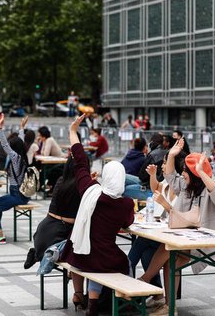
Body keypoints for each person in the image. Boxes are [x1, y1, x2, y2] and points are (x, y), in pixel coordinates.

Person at [138, 139, 215, 315]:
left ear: (196, 174)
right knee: (169, 256)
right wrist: (171, 155)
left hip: (209, 242)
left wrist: (202, 172)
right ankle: (168, 306)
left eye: (187, 172)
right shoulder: (188, 186)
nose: (183, 174)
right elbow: (171, 177)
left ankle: (145, 281)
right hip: (189, 238)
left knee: (169, 252)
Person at [60, 114, 134, 316]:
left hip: (79, 255)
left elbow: (81, 162)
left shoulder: (90, 190)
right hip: (105, 256)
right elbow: (128, 224)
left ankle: (93, 304)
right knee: (125, 262)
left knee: (97, 262)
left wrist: (73, 132)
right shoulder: (126, 203)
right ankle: (126, 301)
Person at [24, 156, 91, 310]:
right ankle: (80, 294)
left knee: (76, 246)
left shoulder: (61, 180)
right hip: (58, 234)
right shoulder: (81, 187)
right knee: (81, 252)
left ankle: (37, 253)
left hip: (43, 230)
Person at [128, 151, 187, 311]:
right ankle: (156, 294)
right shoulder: (168, 183)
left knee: (141, 244)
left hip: (177, 238)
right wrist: (153, 175)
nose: (162, 165)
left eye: (165, 162)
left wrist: (165, 204)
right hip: (164, 234)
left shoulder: (183, 186)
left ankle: (135, 282)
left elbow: (184, 218)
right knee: (147, 254)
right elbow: (156, 188)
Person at [0, 113, 30, 244]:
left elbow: (5, 145)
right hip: (20, 194)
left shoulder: (15, 158)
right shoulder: (22, 157)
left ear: (14, 148)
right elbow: (20, 141)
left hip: (17, 195)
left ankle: (0, 235)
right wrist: (22, 127)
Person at [123, 133, 168, 200]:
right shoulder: (166, 153)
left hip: (150, 188)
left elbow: (142, 176)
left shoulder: (152, 154)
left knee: (124, 189)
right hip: (150, 184)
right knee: (123, 177)